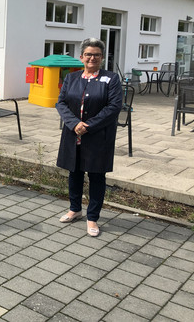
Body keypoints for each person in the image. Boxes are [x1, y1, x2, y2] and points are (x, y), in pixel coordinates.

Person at [56, 37, 122, 237]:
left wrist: (89, 125)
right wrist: (74, 123)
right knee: (74, 173)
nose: (92, 58)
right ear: (81, 57)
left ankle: (92, 217)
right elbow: (61, 103)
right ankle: (75, 209)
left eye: (96, 55)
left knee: (96, 176)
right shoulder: (71, 78)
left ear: (102, 58)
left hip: (97, 136)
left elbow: (114, 107)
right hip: (73, 134)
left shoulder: (111, 79)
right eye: (88, 54)